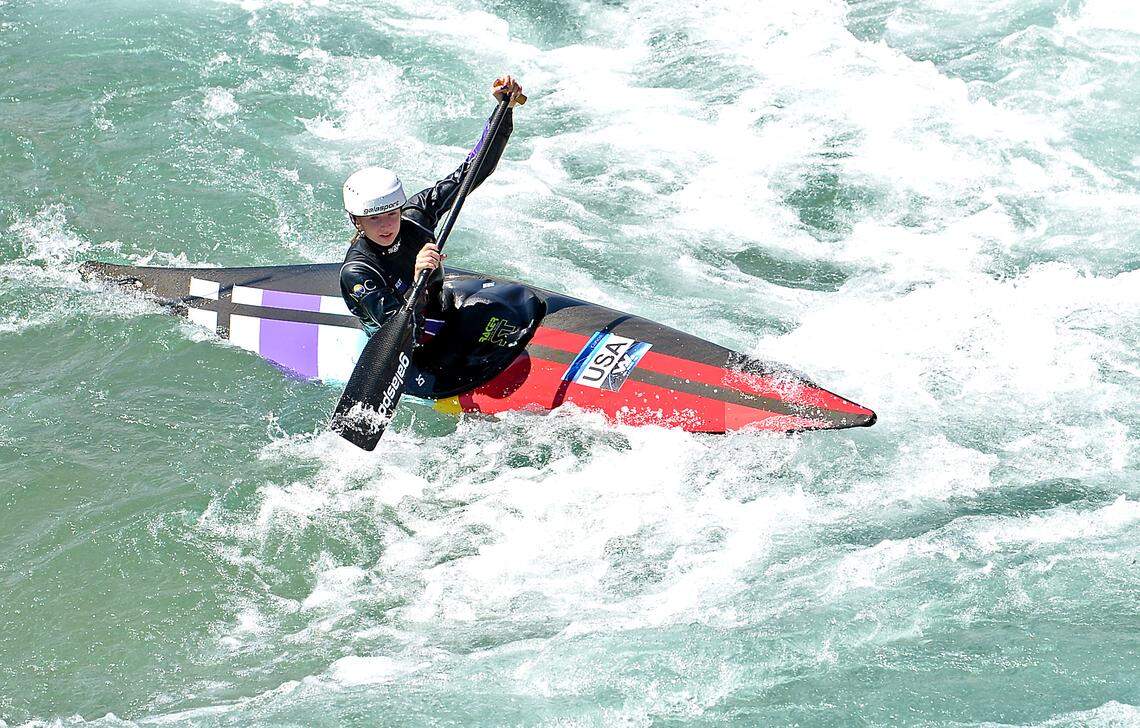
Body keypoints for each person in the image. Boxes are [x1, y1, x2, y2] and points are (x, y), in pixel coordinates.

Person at [338, 75, 524, 338]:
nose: (387, 225)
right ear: (356, 221)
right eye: (375, 219)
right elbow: (401, 333)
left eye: (392, 214)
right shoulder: (358, 271)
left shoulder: (415, 216)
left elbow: (472, 171)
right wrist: (416, 280)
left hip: (438, 311)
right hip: (403, 339)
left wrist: (504, 109)